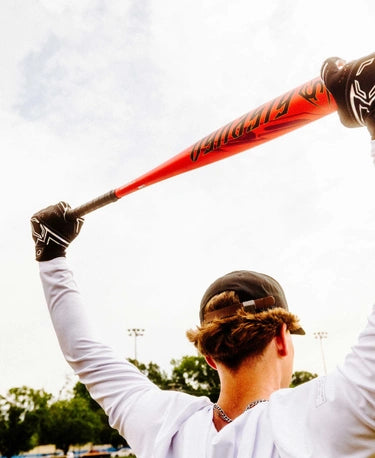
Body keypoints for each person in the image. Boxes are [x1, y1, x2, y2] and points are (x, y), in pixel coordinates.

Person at [31, 52, 375, 457]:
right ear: (282, 339)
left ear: (210, 357)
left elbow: (83, 352)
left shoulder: (164, 426)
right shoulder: (312, 421)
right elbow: (84, 352)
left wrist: (50, 254)